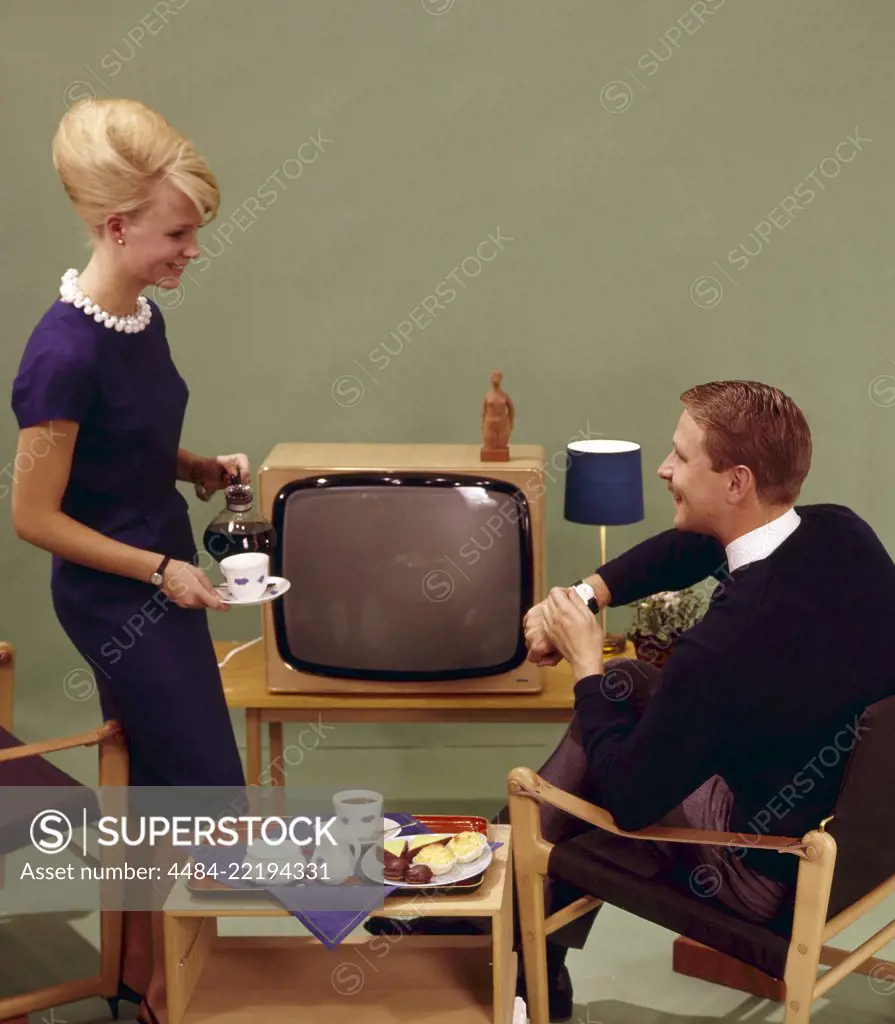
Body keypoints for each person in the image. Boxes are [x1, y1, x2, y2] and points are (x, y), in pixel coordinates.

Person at [519, 379, 895, 1018]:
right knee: (629, 690)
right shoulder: (840, 534)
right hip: (866, 843)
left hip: (768, 873)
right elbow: (693, 546)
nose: (664, 470)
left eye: (681, 457)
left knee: (597, 736)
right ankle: (519, 947)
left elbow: (633, 801)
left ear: (737, 482)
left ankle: (511, 940)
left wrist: (585, 661)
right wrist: (586, 595)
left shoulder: (722, 645)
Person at [11, 98, 248, 1024]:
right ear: (115, 226)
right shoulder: (59, 356)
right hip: (120, 598)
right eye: (177, 233)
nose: (192, 249)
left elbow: (123, 443)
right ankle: (175, 993)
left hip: (161, 567)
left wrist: (190, 466)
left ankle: (149, 987)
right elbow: (34, 516)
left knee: (156, 790)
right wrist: (155, 572)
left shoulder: (135, 317)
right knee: (207, 797)